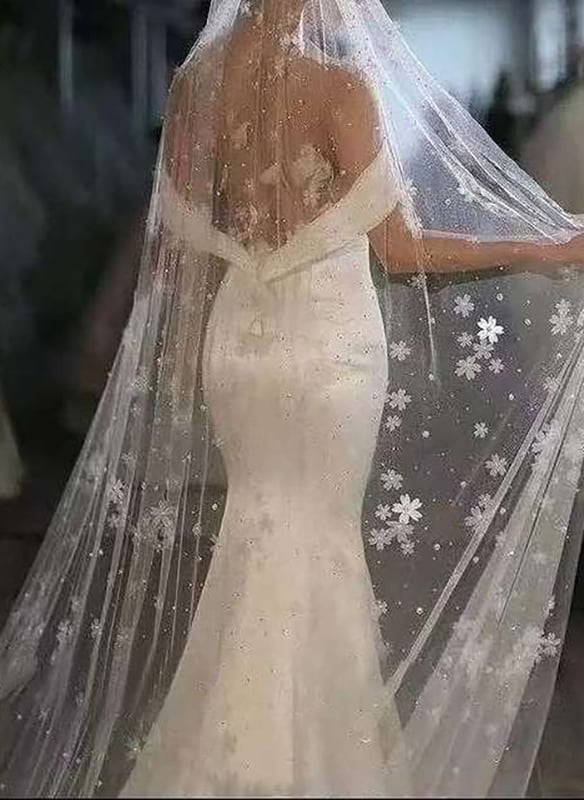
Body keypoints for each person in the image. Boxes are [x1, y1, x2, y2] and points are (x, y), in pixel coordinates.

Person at [1, 1, 584, 796]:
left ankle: (236, 757)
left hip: (241, 344)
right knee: (315, 542)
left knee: (260, 533)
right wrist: (547, 247)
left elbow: (178, 244)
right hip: (324, 349)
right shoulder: (340, 87)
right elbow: (401, 249)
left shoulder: (196, 85)